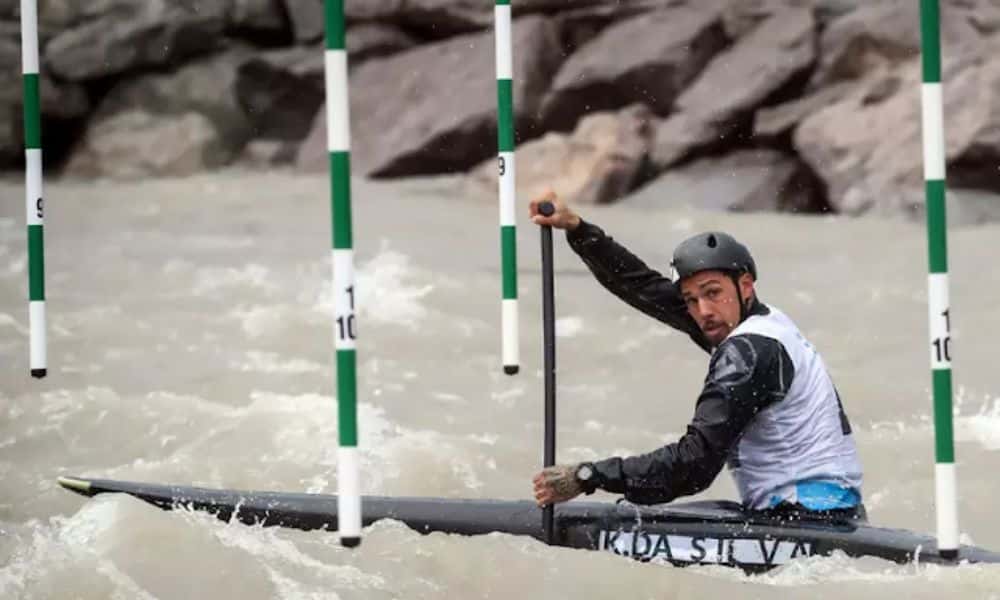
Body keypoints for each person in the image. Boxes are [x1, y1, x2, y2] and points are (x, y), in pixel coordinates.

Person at [528, 190, 864, 519]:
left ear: (745, 286)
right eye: (690, 300)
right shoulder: (763, 322)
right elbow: (643, 288)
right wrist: (577, 229)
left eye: (712, 293)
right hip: (835, 514)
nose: (703, 311)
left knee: (641, 518)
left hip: (806, 519)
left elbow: (694, 465)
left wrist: (589, 476)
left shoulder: (748, 353)